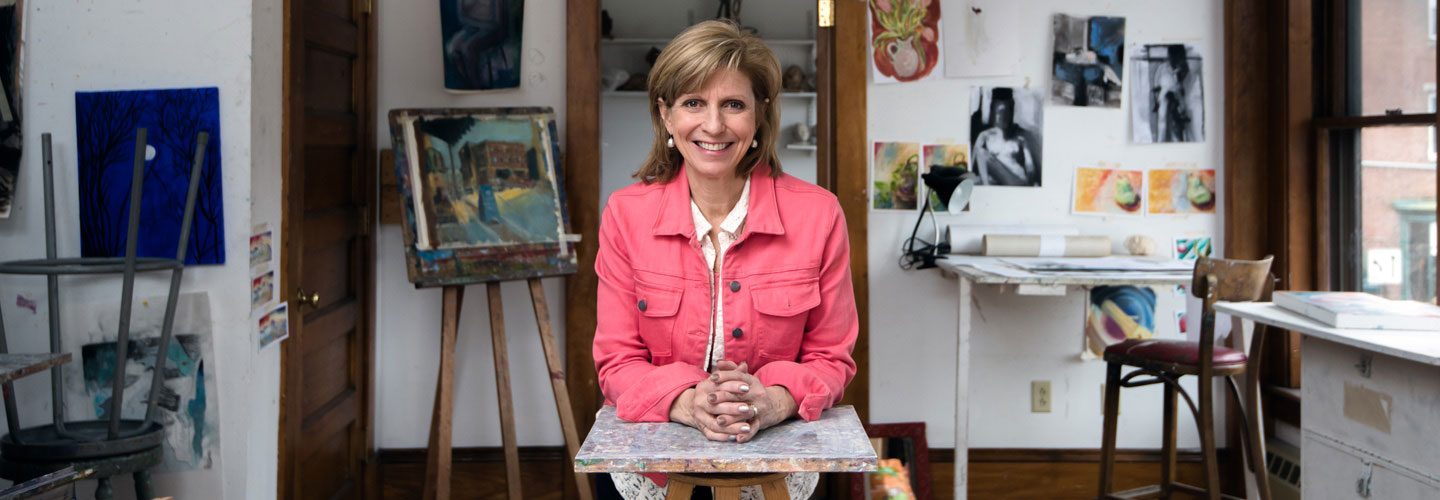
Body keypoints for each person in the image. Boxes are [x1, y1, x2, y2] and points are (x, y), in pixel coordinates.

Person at [593, 19, 859, 500]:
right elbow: (617, 362)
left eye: (732, 105)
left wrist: (773, 402)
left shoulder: (819, 215)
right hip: (652, 470)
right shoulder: (624, 214)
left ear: (760, 115)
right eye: (693, 103)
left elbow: (830, 358)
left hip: (776, 467)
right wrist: (687, 401)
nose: (713, 125)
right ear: (666, 115)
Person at [971, 88, 1039, 186]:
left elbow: (1031, 169)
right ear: (993, 112)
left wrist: (1028, 158)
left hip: (1018, 180)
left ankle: (987, 187)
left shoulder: (1020, 137)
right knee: (981, 155)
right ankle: (987, 186)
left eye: (1007, 112)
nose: (1003, 116)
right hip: (998, 180)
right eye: (999, 112)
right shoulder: (985, 135)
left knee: (982, 154)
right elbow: (972, 165)